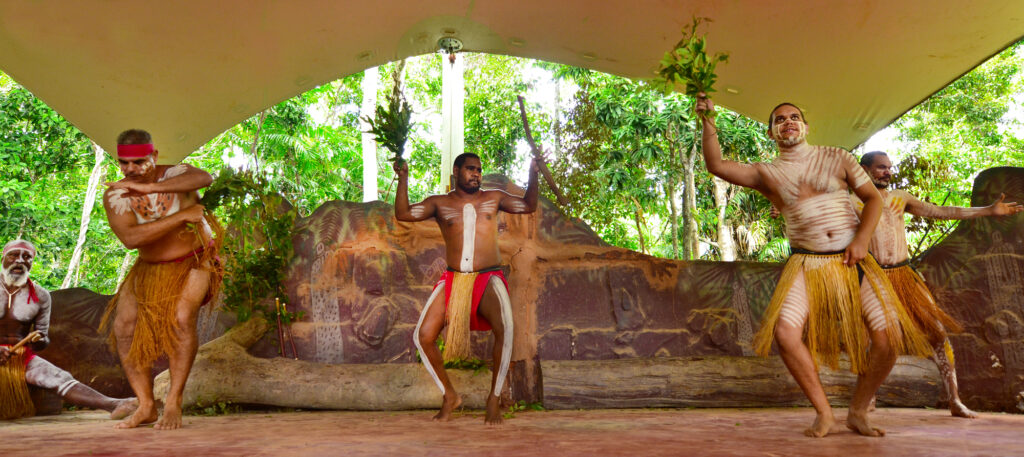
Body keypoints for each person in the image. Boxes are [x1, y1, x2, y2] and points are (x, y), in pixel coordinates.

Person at [696, 96, 932, 437]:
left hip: (854, 260)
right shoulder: (766, 172)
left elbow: (872, 200)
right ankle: (823, 413)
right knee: (786, 335)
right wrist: (709, 120)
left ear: (806, 127)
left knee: (889, 338)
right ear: (771, 133)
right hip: (807, 262)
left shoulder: (838, 157)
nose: (788, 121)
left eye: (794, 117)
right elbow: (716, 165)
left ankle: (858, 410)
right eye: (779, 119)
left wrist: (862, 239)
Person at [854, 151, 1023, 418]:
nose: (887, 172)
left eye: (889, 167)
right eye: (880, 168)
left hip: (904, 276)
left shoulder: (900, 198)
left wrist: (988, 210)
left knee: (938, 334)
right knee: (876, 339)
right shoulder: (850, 200)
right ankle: (867, 397)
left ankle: (955, 399)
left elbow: (941, 211)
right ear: (863, 169)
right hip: (872, 277)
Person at [395, 152, 539, 424]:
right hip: (454, 279)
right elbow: (403, 213)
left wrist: (534, 173)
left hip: (488, 278)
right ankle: (450, 395)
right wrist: (403, 179)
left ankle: (494, 399)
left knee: (505, 330)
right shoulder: (440, 203)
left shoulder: (493, 198)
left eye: (479, 170)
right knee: (423, 336)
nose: (476, 174)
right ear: (457, 171)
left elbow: (528, 205)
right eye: (471, 169)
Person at [100, 129, 223, 430]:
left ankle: (173, 402)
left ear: (154, 156)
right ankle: (145, 405)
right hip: (149, 266)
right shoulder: (115, 195)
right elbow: (130, 238)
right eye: (123, 163)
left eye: (138, 161)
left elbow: (205, 178)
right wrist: (181, 216)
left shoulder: (177, 174)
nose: (129, 170)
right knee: (124, 327)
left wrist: (150, 189)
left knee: (181, 319)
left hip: (195, 261)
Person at [0, 240, 136, 420]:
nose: (20, 261)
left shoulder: (40, 296)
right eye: (13, 255)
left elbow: (43, 339)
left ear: (32, 262)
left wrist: (39, 339)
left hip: (20, 357)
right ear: (3, 258)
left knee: (58, 377)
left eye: (27, 257)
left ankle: (114, 403)